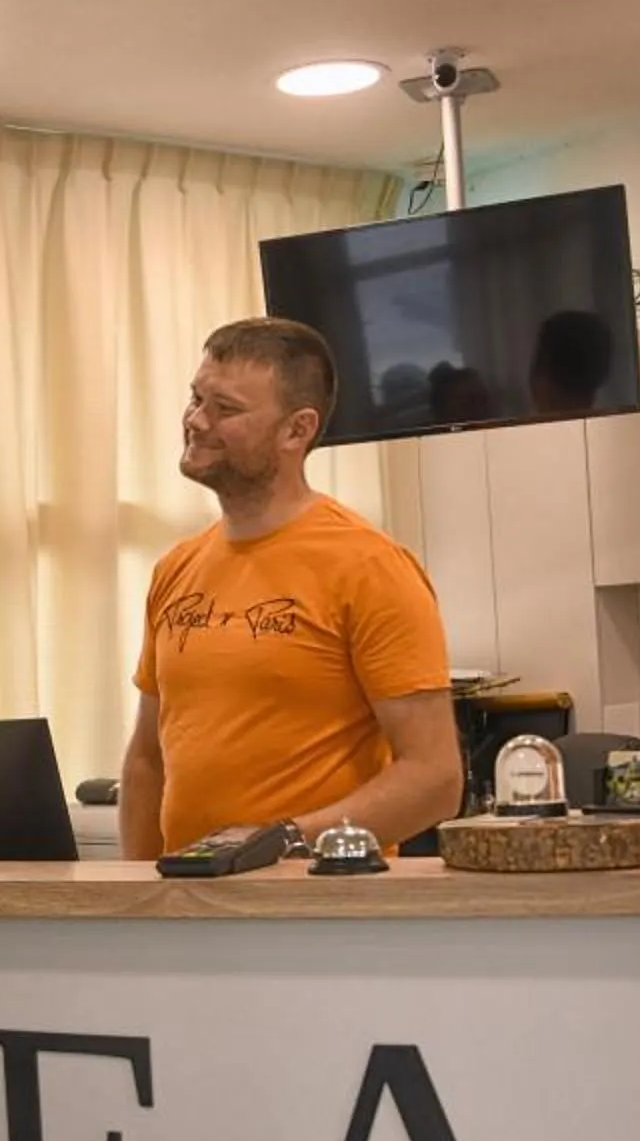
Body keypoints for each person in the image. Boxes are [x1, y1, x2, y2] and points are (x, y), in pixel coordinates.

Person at [118, 318, 462, 860]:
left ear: (296, 431)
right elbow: (147, 761)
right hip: (192, 912)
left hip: (319, 916)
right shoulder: (175, 568)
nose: (196, 420)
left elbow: (435, 779)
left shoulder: (370, 566)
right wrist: (134, 901)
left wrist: (277, 844)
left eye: (225, 409)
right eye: (195, 398)